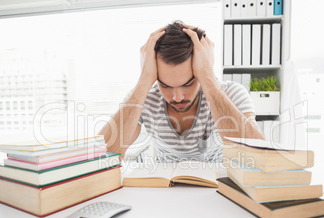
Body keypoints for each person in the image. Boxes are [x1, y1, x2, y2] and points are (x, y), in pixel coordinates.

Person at [99, 21, 264, 162]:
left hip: (216, 190)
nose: (177, 97)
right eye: (165, 86)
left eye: (188, 83)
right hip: (164, 190)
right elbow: (101, 157)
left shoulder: (232, 93)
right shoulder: (145, 97)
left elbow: (258, 156)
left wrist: (208, 77)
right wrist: (144, 80)